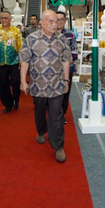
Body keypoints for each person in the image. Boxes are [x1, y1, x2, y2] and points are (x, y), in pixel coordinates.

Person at [20, 10, 72, 163]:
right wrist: (23, 81)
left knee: (57, 115)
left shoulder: (62, 39)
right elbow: (25, 61)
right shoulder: (31, 39)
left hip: (56, 85)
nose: (55, 25)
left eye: (56, 21)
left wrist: (66, 80)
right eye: (51, 21)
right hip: (37, 85)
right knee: (39, 111)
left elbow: (66, 61)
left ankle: (58, 147)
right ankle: (41, 131)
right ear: (41, 22)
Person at [0, 10, 23, 113]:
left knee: (16, 82)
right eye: (2, 18)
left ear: (10, 19)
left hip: (14, 61)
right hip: (0, 62)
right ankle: (8, 104)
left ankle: (15, 100)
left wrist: (22, 61)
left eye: (6, 18)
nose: (3, 20)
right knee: (2, 84)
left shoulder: (16, 31)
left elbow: (20, 46)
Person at [56, 11, 78, 121]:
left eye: (61, 19)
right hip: (52, 69)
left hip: (67, 67)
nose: (59, 22)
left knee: (65, 91)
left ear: (65, 21)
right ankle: (53, 111)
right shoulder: (50, 33)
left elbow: (74, 51)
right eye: (57, 19)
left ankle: (62, 114)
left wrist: (73, 66)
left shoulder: (70, 34)